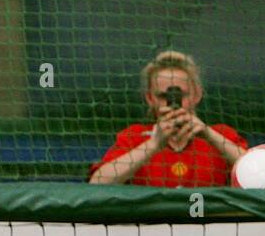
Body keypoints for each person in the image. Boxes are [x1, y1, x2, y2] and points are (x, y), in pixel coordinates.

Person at [88, 50, 247, 185]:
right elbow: (97, 182)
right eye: (163, 96)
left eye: (181, 95)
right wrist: (154, 144)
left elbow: (258, 171)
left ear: (197, 95)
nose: (173, 104)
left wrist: (208, 134)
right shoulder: (133, 137)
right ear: (150, 99)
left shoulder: (223, 135)